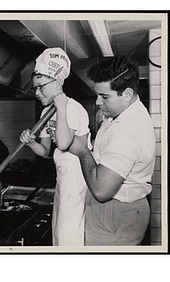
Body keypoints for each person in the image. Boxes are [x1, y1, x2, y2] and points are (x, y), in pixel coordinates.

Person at [68, 55, 156, 246]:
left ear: (126, 94)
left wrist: (83, 151)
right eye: (97, 94)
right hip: (114, 211)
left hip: (115, 214)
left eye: (105, 96)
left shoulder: (128, 131)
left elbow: (101, 191)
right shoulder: (121, 112)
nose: (98, 102)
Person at [20, 47, 91, 246]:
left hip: (78, 179)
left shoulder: (73, 108)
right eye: (35, 88)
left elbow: (64, 142)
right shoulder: (45, 113)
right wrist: (32, 142)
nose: (37, 92)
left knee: (69, 235)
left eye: (41, 86)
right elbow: (45, 152)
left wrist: (60, 107)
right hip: (62, 178)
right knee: (58, 233)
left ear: (58, 82)